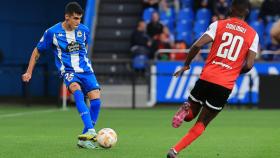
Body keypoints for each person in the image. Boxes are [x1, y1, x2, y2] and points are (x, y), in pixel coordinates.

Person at [167, 0, 259, 157]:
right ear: (247, 13)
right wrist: (234, 71)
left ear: (231, 9)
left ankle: (186, 110)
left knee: (190, 115)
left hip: (206, 77)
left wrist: (186, 65)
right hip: (224, 84)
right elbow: (249, 65)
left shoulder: (219, 25)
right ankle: (174, 150)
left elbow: (197, 45)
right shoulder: (253, 34)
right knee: (202, 123)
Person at [22, 2, 101, 149]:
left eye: (80, 19)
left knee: (96, 101)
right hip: (68, 71)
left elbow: (85, 46)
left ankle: (84, 139)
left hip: (86, 70)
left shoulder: (84, 30)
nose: (78, 22)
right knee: (77, 90)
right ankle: (91, 130)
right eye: (75, 18)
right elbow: (37, 51)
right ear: (67, 17)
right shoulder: (52, 32)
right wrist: (29, 71)